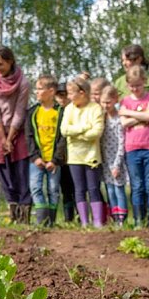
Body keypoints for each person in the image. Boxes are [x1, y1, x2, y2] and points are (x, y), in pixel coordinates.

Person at [0, 46, 32, 224]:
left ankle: (24, 215)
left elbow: (20, 111)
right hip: (0, 131)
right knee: (5, 174)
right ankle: (13, 213)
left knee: (21, 172)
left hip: (18, 131)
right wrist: (3, 138)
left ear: (10, 61)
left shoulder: (23, 82)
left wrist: (11, 136)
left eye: (0, 64)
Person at [119, 65, 149, 227]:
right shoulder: (125, 101)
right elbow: (123, 123)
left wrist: (130, 114)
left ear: (144, 82)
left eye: (138, 85)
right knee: (137, 185)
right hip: (132, 149)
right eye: (132, 86)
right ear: (128, 85)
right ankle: (138, 219)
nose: (135, 89)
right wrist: (142, 117)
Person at [60, 77, 105, 227]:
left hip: (92, 156)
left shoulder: (95, 108)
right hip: (74, 157)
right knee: (79, 190)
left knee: (93, 188)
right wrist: (84, 128)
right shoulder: (69, 109)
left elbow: (97, 131)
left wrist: (77, 135)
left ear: (82, 92)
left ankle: (98, 221)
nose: (69, 97)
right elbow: (64, 130)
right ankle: (85, 222)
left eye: (71, 93)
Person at [25, 74, 66, 227]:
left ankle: (52, 221)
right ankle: (41, 221)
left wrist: (55, 160)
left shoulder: (60, 112)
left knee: (53, 189)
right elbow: (28, 136)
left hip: (54, 161)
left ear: (51, 91)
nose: (37, 92)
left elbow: (63, 138)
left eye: (40, 89)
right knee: (35, 187)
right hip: (37, 161)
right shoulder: (32, 112)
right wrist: (35, 157)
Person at [100, 85, 128, 226]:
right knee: (109, 190)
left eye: (108, 102)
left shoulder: (118, 119)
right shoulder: (102, 118)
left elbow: (122, 143)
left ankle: (122, 218)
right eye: (103, 102)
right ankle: (114, 216)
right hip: (105, 160)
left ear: (115, 100)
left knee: (118, 189)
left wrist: (117, 164)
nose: (106, 105)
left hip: (117, 160)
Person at [54, 81, 76, 223]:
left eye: (65, 95)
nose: (62, 98)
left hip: (75, 155)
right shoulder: (55, 111)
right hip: (60, 158)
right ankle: (69, 218)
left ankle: (82, 216)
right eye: (59, 95)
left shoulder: (75, 110)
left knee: (78, 189)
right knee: (65, 189)